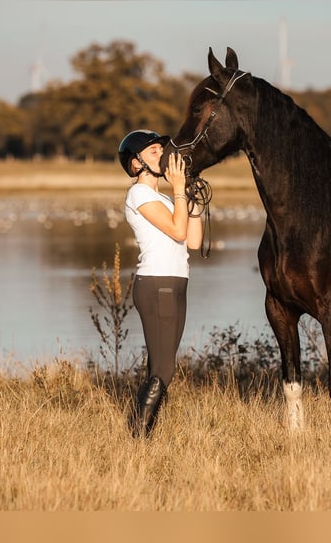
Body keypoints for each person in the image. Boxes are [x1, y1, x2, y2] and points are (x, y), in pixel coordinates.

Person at [118, 129, 203, 438]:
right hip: (157, 283)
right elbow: (177, 232)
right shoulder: (138, 194)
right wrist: (179, 190)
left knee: (161, 364)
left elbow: (192, 240)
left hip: (177, 282)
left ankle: (144, 433)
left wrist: (191, 199)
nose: (163, 155)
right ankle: (138, 437)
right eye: (153, 151)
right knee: (164, 369)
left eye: (160, 149)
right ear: (136, 164)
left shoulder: (165, 198)